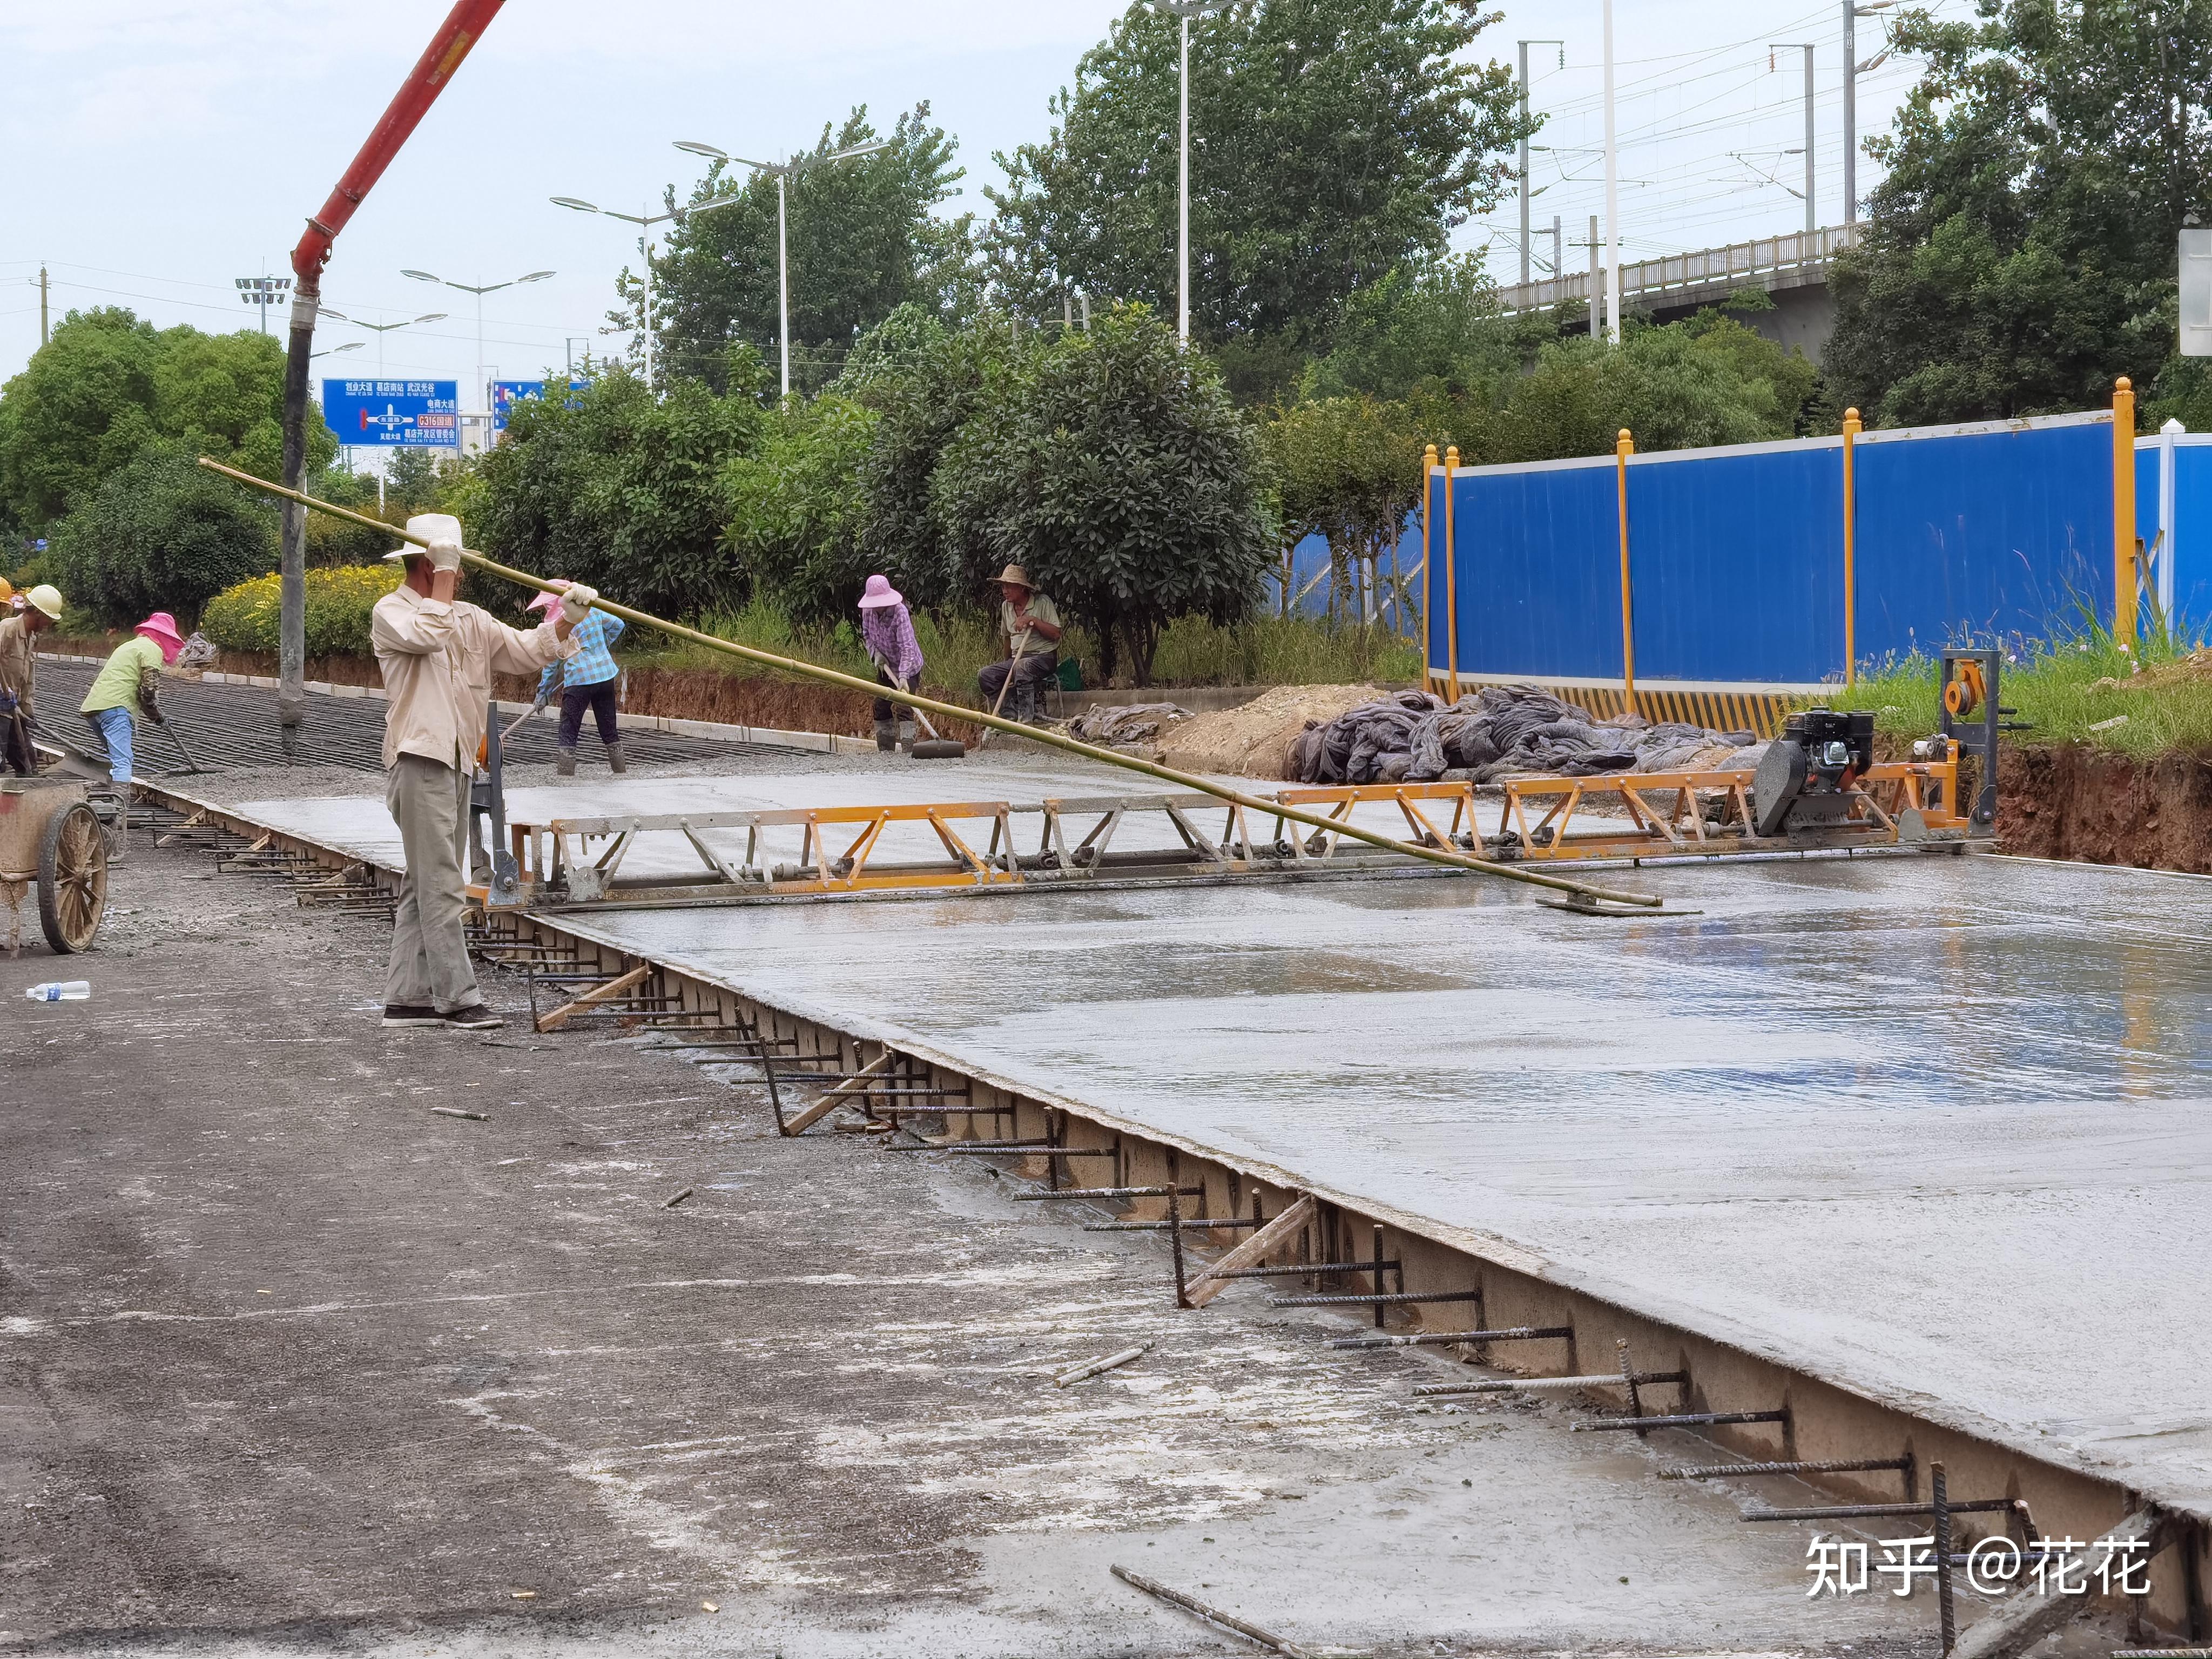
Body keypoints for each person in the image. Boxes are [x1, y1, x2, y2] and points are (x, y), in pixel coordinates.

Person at [371, 513, 591, 1032]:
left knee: (423, 882)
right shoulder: (392, 612)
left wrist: (566, 620)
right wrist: (442, 577)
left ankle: (406, 1000)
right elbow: (428, 633)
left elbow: (524, 652)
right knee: (443, 882)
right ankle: (457, 998)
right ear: (431, 563)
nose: (461, 575)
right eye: (454, 565)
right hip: (419, 761)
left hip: (459, 760)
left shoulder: (470, 618)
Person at [529, 581, 628, 777]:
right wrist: (601, 647)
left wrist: (543, 692)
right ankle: (621, 772)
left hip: (579, 679)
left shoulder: (557, 625)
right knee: (609, 728)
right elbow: (618, 624)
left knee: (569, 728)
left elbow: (551, 664)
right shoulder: (593, 611)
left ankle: (565, 777)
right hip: (605, 675)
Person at [79, 610, 183, 785]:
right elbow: (148, 692)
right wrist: (157, 716)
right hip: (116, 708)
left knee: (115, 757)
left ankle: (110, 795)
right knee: (123, 762)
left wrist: (155, 717)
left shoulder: (130, 645)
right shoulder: (153, 649)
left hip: (94, 707)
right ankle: (120, 807)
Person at [976, 563, 1062, 724]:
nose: (1004, 591)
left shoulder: (1042, 602)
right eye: (1003, 587)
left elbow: (1056, 634)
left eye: (1009, 587)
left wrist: (1034, 621)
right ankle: (1008, 715)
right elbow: (1007, 639)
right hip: (1017, 659)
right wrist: (1006, 664)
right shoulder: (1006, 607)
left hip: (1043, 658)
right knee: (986, 675)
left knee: (1021, 667)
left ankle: (1025, 721)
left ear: (1022, 588)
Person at [0, 583, 64, 775]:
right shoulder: (8, 629)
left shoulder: (31, 638)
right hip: (1, 708)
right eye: (48, 618)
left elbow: (28, 679)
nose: (49, 624)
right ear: (36, 613)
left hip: (13, 708)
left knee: (28, 761)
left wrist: (28, 710)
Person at [857, 573, 924, 752]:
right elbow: (867, 635)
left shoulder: (900, 613)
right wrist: (875, 653)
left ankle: (909, 751)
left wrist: (903, 676)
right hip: (885, 665)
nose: (877, 607)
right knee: (881, 705)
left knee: (904, 706)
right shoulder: (868, 611)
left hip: (908, 666)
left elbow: (907, 647)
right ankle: (886, 751)